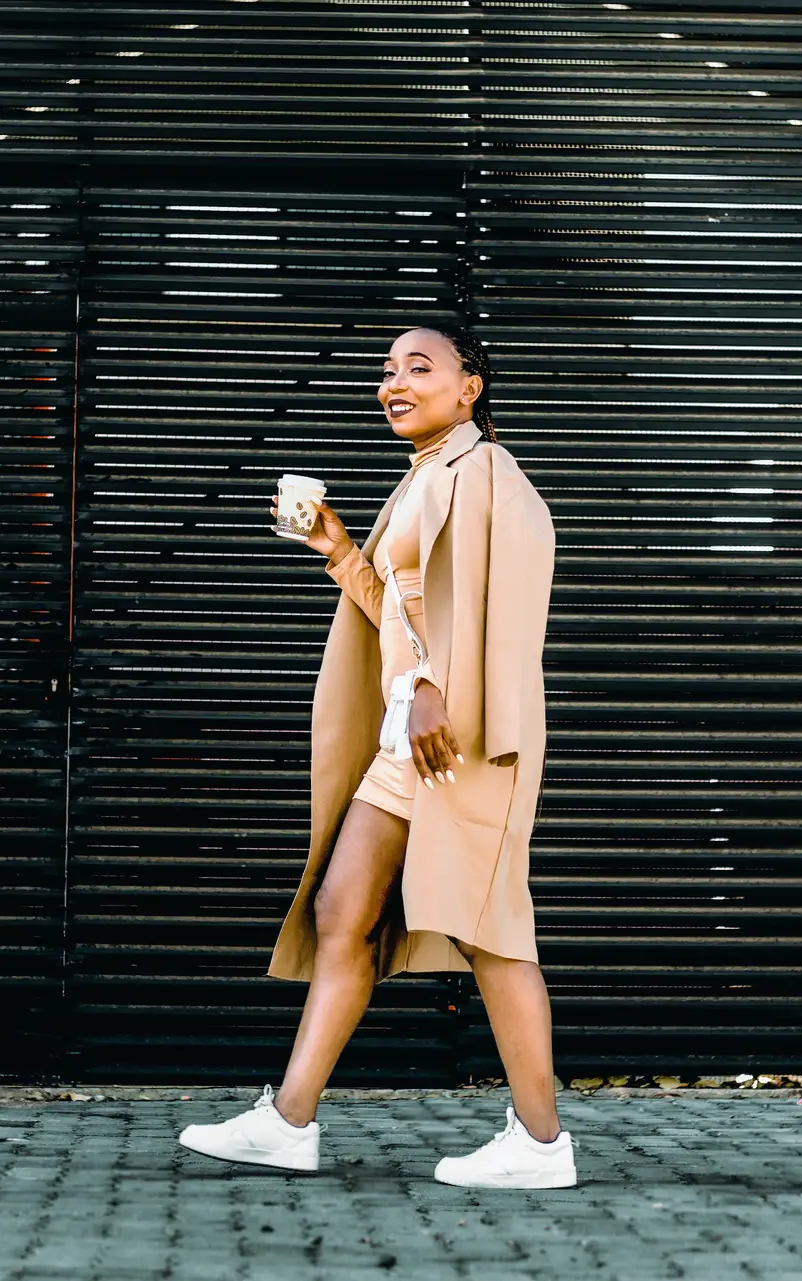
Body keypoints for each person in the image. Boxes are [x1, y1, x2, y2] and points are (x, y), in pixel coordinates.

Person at [178, 322, 576, 1189]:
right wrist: (335, 547)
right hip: (413, 736)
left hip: (466, 740)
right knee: (341, 907)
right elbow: (400, 609)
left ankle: (542, 1142)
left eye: (419, 368)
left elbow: (510, 609)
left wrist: (438, 687)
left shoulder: (490, 475)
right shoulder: (425, 476)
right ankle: (290, 1119)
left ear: (470, 386)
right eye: (386, 371)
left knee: (492, 931)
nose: (394, 382)